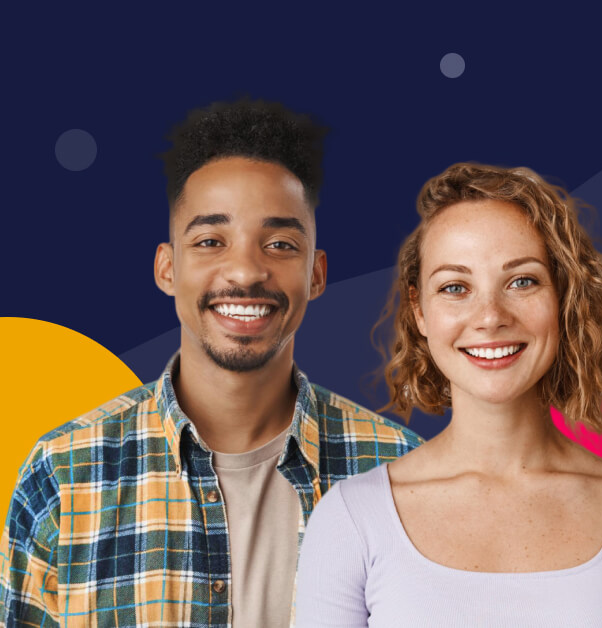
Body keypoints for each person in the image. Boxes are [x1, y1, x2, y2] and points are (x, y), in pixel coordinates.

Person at [0, 100, 422, 627]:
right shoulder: (63, 475)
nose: (245, 270)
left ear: (316, 275)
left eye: (279, 243)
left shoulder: (404, 475)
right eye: (209, 241)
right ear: (167, 268)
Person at [294, 163, 602, 626]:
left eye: (522, 281)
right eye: (455, 287)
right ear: (419, 311)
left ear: (562, 296)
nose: (489, 316)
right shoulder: (351, 520)